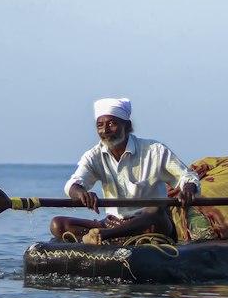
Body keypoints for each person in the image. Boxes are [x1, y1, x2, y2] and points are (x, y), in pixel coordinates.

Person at [51, 98, 200, 244]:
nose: (105, 131)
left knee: (156, 211)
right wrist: (82, 194)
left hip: (149, 225)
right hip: (112, 224)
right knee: (58, 225)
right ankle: (95, 237)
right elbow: (73, 184)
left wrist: (187, 189)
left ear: (127, 126)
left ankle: (103, 236)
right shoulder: (93, 156)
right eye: (100, 125)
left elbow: (188, 177)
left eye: (111, 123)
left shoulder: (154, 151)